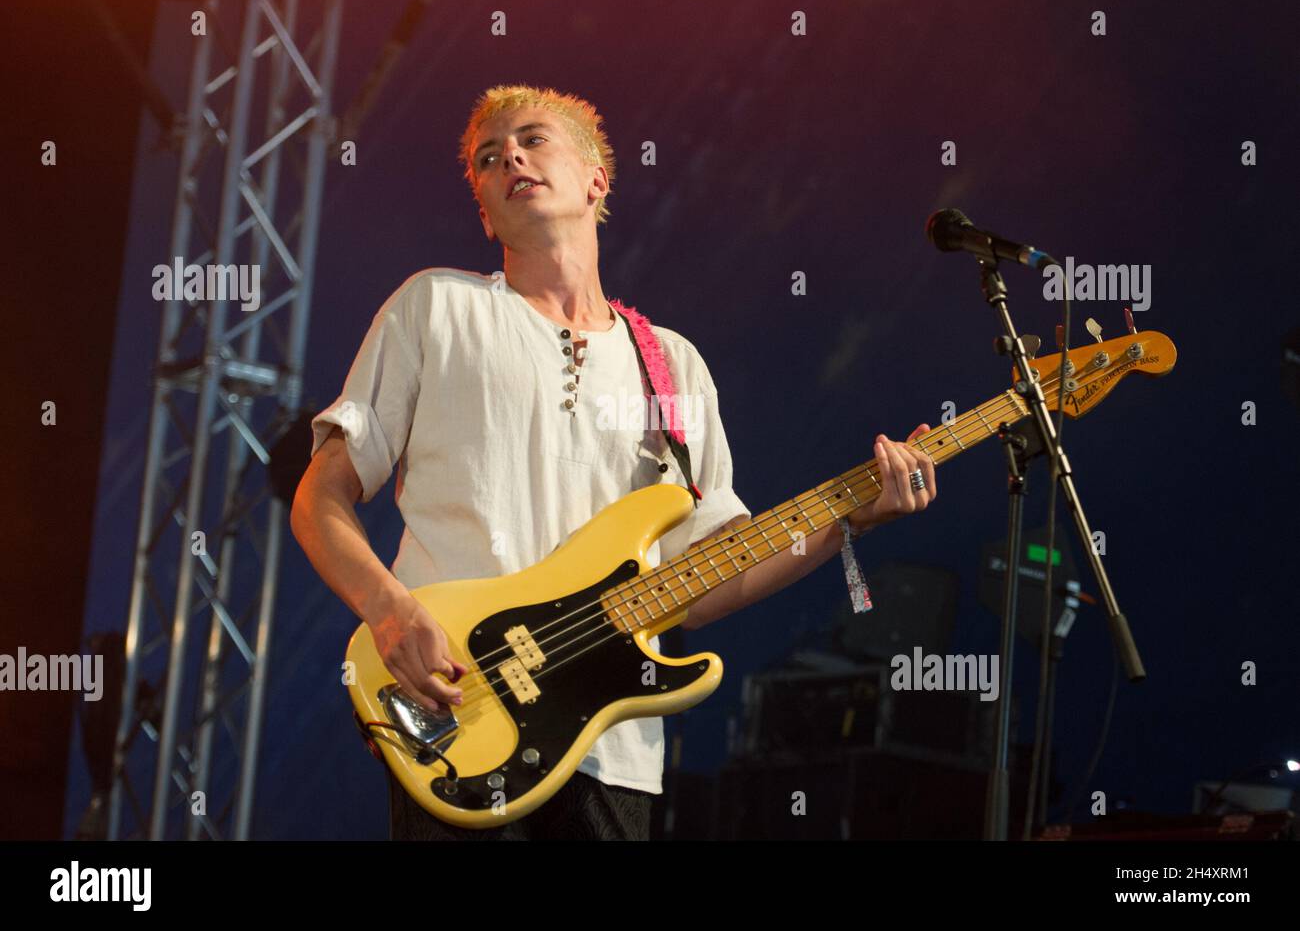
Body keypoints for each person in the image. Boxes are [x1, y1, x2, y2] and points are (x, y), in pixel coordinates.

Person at [290, 84, 937, 840]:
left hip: (610, 754)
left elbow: (702, 580)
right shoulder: (435, 307)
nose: (511, 160)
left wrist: (847, 521)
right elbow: (319, 497)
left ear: (598, 177)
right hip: (462, 717)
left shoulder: (674, 365)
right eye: (487, 159)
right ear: (485, 208)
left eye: (532, 140)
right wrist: (386, 607)